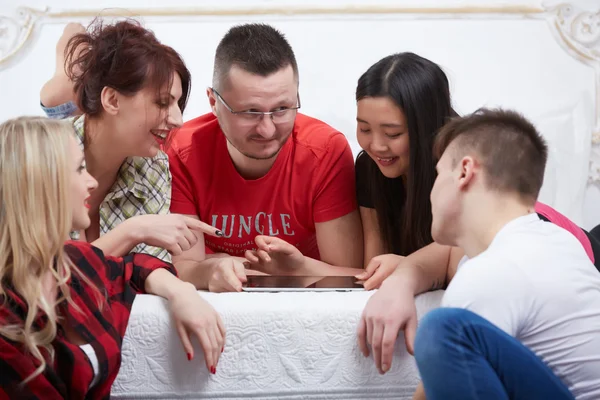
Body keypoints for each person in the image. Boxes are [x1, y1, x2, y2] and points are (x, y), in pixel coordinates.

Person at [360, 109, 600, 399]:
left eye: (438, 175)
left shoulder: (493, 271)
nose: (431, 192)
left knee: (441, 328)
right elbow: (444, 259)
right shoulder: (556, 242)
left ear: (464, 172)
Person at [0, 117, 225, 399]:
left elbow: (133, 267)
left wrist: (182, 293)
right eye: (79, 169)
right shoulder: (7, 312)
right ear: (42, 183)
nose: (92, 182)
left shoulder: (72, 263)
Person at [351, 53, 600, 292]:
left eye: (393, 133)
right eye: (364, 129)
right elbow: (372, 266)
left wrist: (407, 268)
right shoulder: (368, 168)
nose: (376, 146)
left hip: (575, 250)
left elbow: (472, 254)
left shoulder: (462, 164)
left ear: (424, 125)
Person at [167, 23, 364, 292]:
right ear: (213, 103)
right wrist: (211, 269)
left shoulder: (326, 150)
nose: (267, 129)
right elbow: (183, 266)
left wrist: (299, 269)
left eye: (282, 109)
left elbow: (350, 277)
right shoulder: (181, 150)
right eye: (250, 112)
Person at [39, 19, 221, 263]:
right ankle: (70, 66)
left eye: (178, 103)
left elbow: (143, 269)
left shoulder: (153, 168)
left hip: (97, 111)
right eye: (162, 102)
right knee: (56, 97)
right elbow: (46, 274)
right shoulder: (43, 160)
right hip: (68, 117)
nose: (178, 120)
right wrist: (135, 230)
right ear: (113, 100)